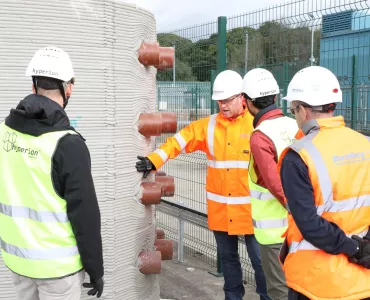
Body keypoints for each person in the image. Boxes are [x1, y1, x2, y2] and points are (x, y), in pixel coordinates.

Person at [136, 70, 270, 300]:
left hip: (254, 213)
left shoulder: (258, 126)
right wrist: (154, 160)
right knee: (228, 261)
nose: (223, 105)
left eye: (227, 100)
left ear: (242, 98)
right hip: (222, 211)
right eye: (219, 101)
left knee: (261, 263)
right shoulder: (209, 126)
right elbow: (179, 141)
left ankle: (268, 297)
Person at [0, 46, 104, 300]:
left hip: (18, 262)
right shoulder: (68, 143)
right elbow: (85, 214)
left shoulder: (4, 131)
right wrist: (95, 268)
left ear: (33, 86)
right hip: (59, 269)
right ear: (68, 88)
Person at [277, 66, 370, 300]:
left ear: (303, 110)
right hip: (362, 280)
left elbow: (309, 224)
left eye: (293, 110)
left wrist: (353, 248)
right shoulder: (365, 144)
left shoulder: (298, 156)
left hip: (316, 282)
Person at [242, 68, 298, 299]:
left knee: (279, 290)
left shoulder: (260, 136)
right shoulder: (296, 125)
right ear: (275, 97)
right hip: (302, 231)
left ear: (246, 102)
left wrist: (300, 212)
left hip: (275, 235)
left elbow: (275, 185)